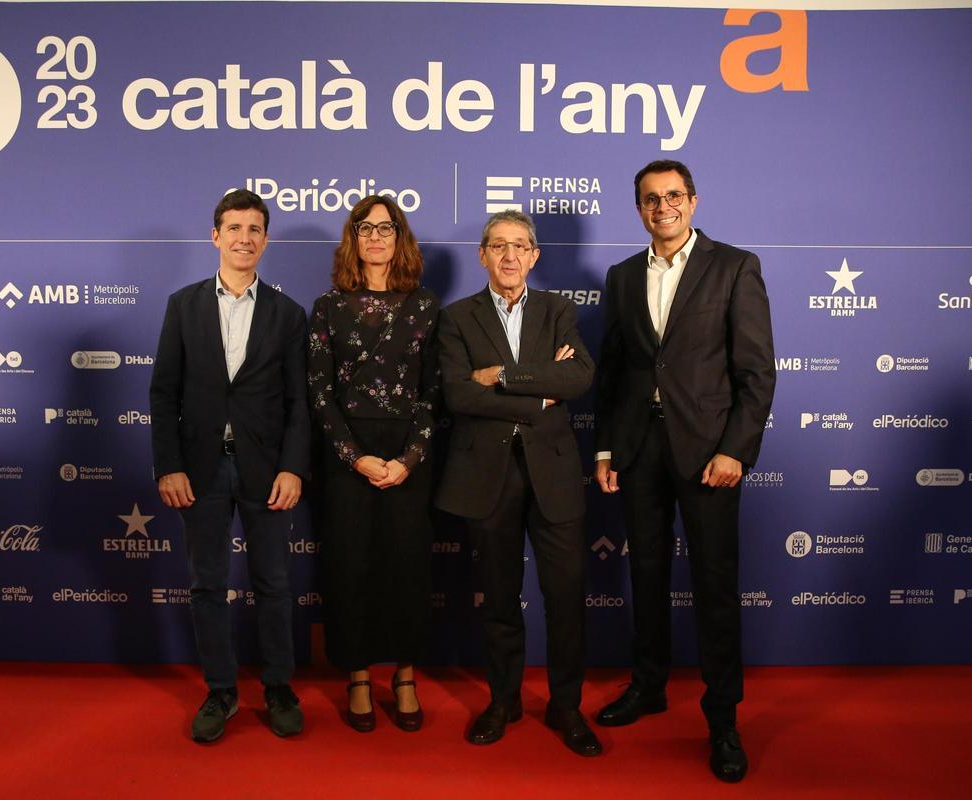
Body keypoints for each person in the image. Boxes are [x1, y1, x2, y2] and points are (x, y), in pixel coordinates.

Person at [592, 160, 775, 782]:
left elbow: (756, 373)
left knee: (716, 589)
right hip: (640, 454)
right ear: (638, 208)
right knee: (644, 575)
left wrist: (735, 450)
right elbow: (615, 373)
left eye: (673, 196)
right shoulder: (620, 277)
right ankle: (649, 686)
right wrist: (607, 449)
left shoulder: (735, 267)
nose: (661, 206)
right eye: (650, 198)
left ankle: (723, 719)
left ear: (693, 202)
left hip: (708, 458)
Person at [436, 210, 599, 757]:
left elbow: (578, 376)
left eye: (520, 246)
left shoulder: (558, 310)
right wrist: (540, 395)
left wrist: (504, 376)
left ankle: (566, 705)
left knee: (565, 597)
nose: (509, 256)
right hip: (487, 477)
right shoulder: (457, 318)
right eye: (498, 246)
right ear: (482, 255)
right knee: (499, 598)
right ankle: (503, 700)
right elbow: (459, 395)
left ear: (534, 256)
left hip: (553, 474)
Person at [149, 189, 310, 743]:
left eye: (255, 229)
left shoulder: (289, 314)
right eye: (234, 228)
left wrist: (294, 468)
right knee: (207, 585)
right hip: (199, 470)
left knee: (273, 584)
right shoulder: (182, 305)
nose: (245, 238)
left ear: (265, 240)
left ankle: (279, 688)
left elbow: (298, 403)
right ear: (215, 236)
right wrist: (168, 466)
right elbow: (163, 393)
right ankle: (220, 692)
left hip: (267, 471)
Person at [307, 195, 440, 732]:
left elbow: (434, 392)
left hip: (409, 455)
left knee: (408, 567)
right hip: (347, 458)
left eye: (386, 228)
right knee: (351, 568)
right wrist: (356, 458)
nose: (376, 237)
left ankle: (404, 676)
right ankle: (358, 675)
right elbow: (318, 392)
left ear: (400, 237)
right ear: (353, 239)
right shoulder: (327, 306)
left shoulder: (426, 306)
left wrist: (407, 459)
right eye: (366, 228)